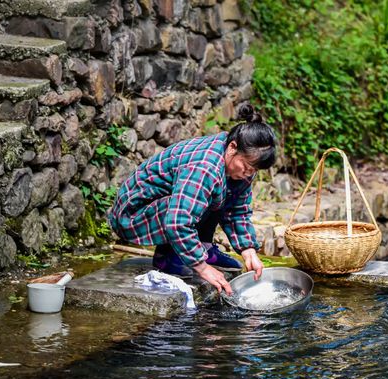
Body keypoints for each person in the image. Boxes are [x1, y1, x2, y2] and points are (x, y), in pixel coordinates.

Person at [108, 104, 277, 295]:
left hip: (171, 207)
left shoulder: (239, 165)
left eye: (254, 170)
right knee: (198, 197)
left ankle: (204, 247)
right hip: (133, 215)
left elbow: (236, 209)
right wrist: (202, 267)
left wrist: (248, 250)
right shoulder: (205, 167)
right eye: (247, 167)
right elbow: (178, 222)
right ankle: (168, 257)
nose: (249, 174)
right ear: (232, 148)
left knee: (224, 191)